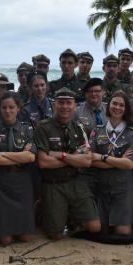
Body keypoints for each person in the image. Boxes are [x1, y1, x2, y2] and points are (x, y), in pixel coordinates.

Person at [34, 87, 101, 239]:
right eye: (61, 103)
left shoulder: (79, 128)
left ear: (75, 106)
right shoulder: (43, 127)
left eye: (69, 103)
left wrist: (61, 155)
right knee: (55, 235)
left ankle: (71, 219)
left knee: (95, 227)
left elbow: (86, 161)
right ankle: (47, 213)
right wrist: (73, 158)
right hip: (53, 183)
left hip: (75, 181)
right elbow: (44, 162)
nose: (65, 107)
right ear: (54, 105)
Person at [0, 92, 37, 245]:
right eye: (4, 107)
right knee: (5, 240)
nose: (8, 111)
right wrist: (20, 155)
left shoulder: (27, 129)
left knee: (26, 238)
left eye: (11, 107)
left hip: (22, 182)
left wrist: (2, 154)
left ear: (18, 108)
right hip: (1, 182)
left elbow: (31, 157)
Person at [89, 91, 133, 235]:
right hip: (101, 187)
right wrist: (119, 160)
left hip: (123, 188)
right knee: (101, 232)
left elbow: (130, 165)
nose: (117, 107)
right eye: (114, 103)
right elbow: (91, 159)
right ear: (108, 105)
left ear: (126, 109)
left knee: (122, 234)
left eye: (122, 105)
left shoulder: (132, 133)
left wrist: (102, 157)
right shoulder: (97, 130)